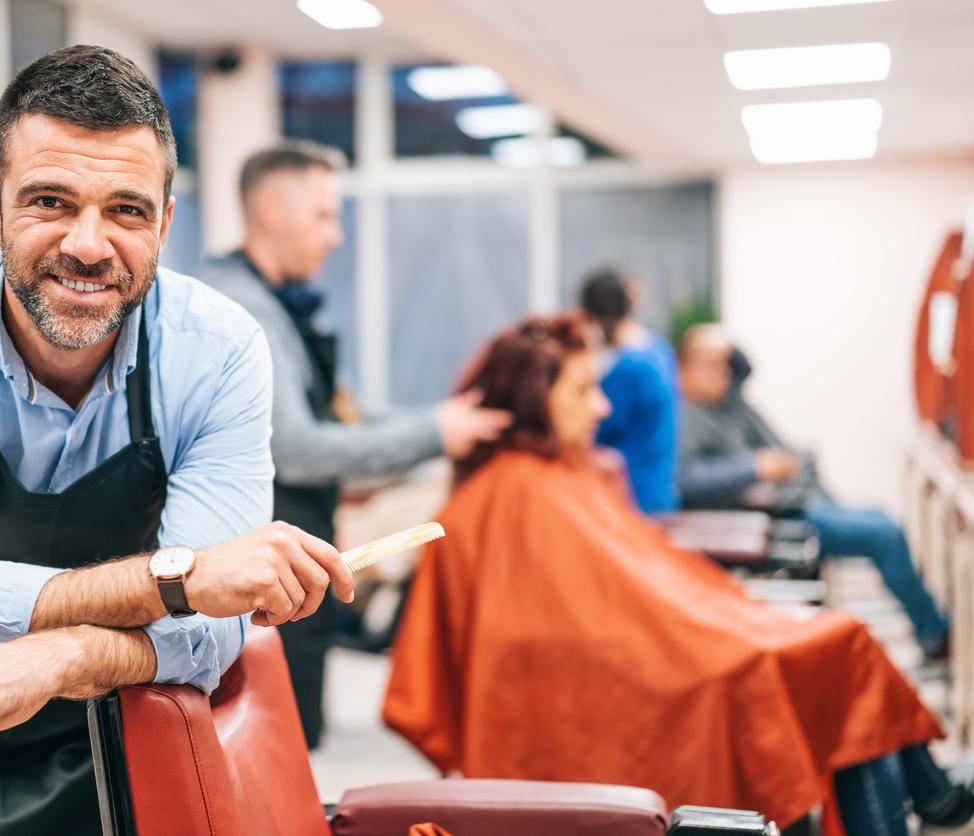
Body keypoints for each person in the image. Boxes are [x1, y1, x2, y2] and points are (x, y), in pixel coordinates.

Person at [0, 46, 354, 836]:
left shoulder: (218, 350)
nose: (89, 245)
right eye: (51, 202)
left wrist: (61, 659)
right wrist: (184, 578)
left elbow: (210, 640)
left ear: (165, 223)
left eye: (127, 210)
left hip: (101, 728)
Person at [383, 315, 974, 836]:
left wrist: (716, 618)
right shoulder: (515, 494)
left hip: (664, 655)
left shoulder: (558, 479)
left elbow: (633, 588)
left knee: (834, 655)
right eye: (585, 390)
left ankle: (937, 793)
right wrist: (714, 630)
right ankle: (938, 794)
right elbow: (545, 637)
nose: (603, 408)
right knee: (835, 655)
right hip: (636, 689)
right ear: (538, 397)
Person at [200, 141, 511, 748]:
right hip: (257, 571)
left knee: (289, 743)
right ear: (271, 210)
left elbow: (351, 414)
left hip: (291, 560)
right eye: (324, 216)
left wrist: (440, 422)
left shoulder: (285, 307)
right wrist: (434, 434)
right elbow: (298, 448)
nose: (336, 236)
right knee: (265, 754)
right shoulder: (243, 310)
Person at [678, 324, 948, 658]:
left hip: (797, 498)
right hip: (780, 517)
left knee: (879, 515)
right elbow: (690, 479)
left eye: (722, 362)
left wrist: (722, 345)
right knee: (885, 534)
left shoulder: (729, 402)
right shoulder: (686, 417)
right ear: (683, 369)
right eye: (708, 362)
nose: (720, 371)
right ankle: (935, 634)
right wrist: (755, 467)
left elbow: (745, 367)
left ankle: (931, 629)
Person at [579, 268, 680, 513]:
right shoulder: (659, 348)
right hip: (660, 489)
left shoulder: (629, 368)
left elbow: (596, 433)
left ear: (591, 318)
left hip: (634, 497)